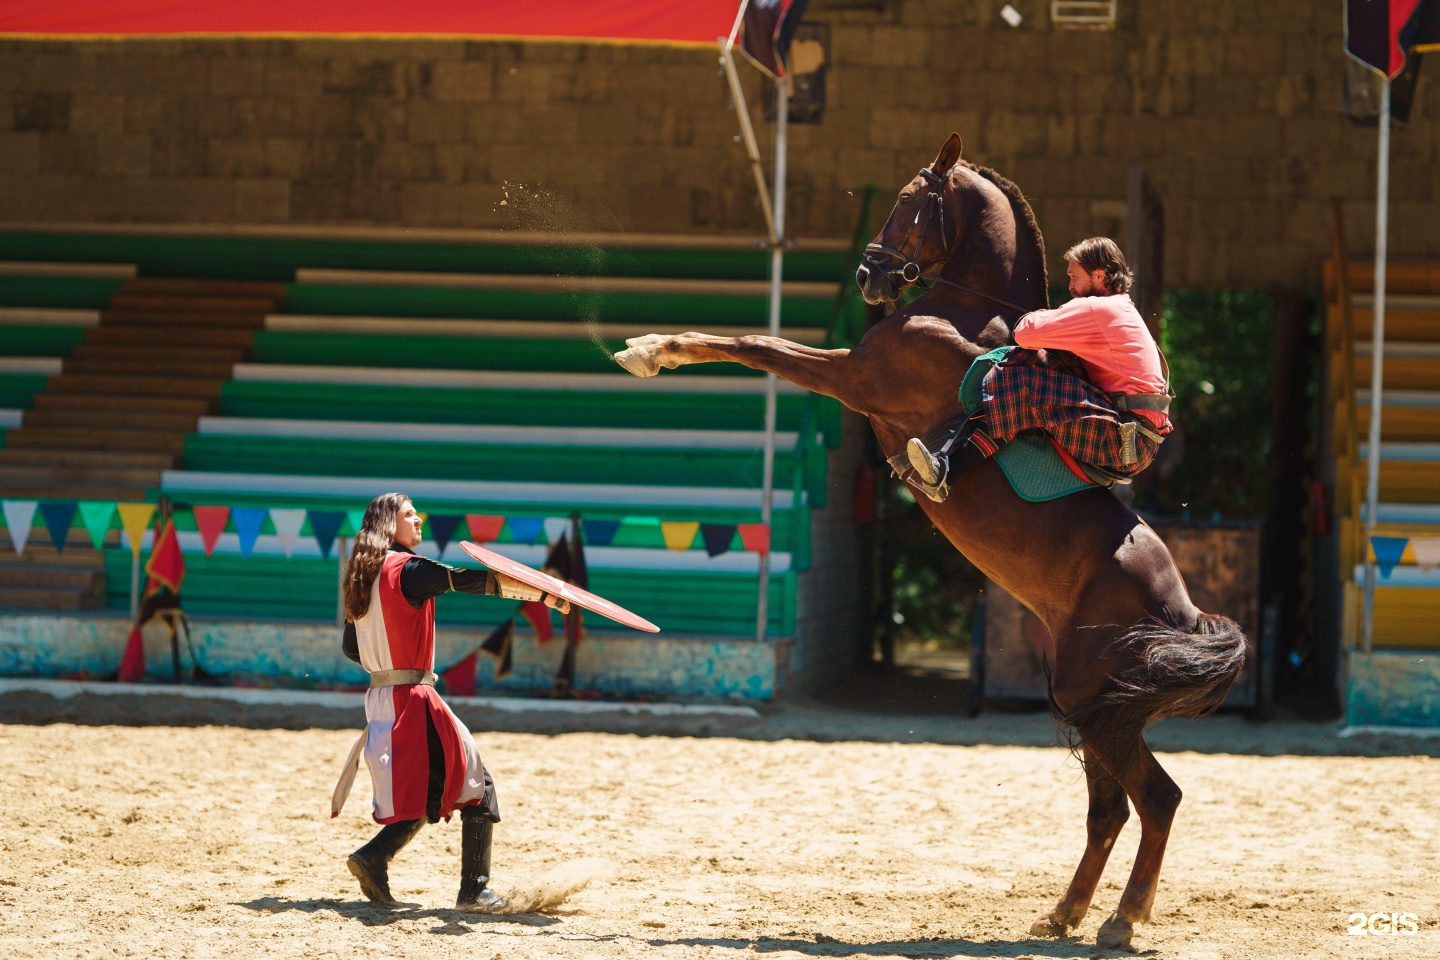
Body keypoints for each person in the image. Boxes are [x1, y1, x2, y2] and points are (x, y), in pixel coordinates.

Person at [331, 492, 569, 911]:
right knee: (478, 786)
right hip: (414, 697)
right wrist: (541, 594)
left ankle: (373, 857)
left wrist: (389, 654)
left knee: (431, 788)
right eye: (409, 514)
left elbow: (353, 649)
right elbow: (466, 579)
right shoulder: (409, 569)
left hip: (382, 698)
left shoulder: (361, 576)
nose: (418, 519)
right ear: (389, 524)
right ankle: (474, 892)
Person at [905, 237, 1172, 501]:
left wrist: (1037, 316)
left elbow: (1024, 333)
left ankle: (947, 474)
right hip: (1133, 434)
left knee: (1024, 385)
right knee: (1040, 361)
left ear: (1100, 276)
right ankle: (948, 458)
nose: (1070, 286)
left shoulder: (1097, 308)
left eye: (1074, 277)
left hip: (1127, 439)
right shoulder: (1119, 307)